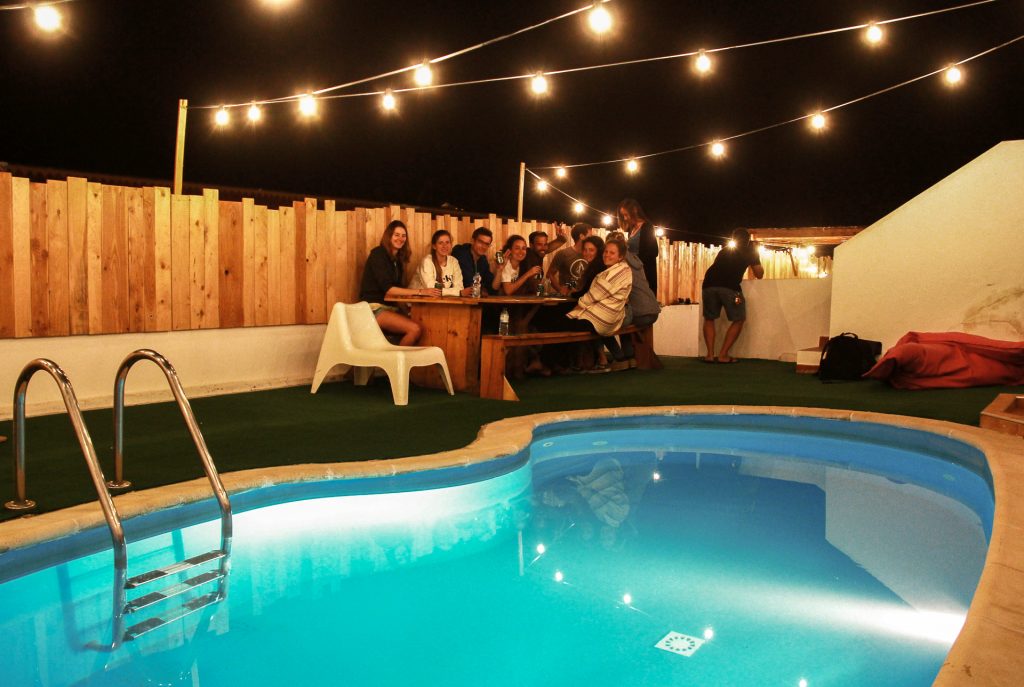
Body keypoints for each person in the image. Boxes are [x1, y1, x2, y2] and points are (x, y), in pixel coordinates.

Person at [358, 220, 440, 345]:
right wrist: (421, 292)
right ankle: (397, 363)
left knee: (423, 325)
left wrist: (408, 309)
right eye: (396, 235)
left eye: (403, 236)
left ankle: (396, 359)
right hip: (373, 309)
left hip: (390, 308)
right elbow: (389, 289)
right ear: (389, 236)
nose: (400, 239)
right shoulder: (378, 254)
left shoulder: (397, 261)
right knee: (415, 329)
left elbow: (397, 292)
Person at [701, 228, 765, 363]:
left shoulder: (725, 250)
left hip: (709, 285)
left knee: (709, 319)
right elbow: (759, 274)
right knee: (739, 318)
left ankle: (710, 355)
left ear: (733, 238)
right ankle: (723, 355)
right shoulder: (750, 250)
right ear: (748, 240)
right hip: (730, 288)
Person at [410, 229, 471, 296]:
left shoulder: (454, 261)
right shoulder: (427, 261)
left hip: (436, 301)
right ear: (434, 246)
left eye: (447, 242)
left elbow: (460, 287)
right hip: (415, 301)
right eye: (440, 243)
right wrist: (458, 293)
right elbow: (432, 289)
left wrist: (458, 292)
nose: (444, 246)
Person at [617, 198, 658, 293]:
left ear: (634, 210)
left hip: (643, 274)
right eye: (623, 215)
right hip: (632, 272)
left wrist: (635, 262)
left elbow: (654, 251)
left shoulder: (647, 227)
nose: (625, 218)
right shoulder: (631, 229)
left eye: (626, 214)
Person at [547, 222, 591, 295]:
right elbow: (549, 275)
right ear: (582, 236)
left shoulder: (591, 255)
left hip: (586, 298)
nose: (592, 239)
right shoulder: (563, 254)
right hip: (568, 299)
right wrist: (560, 289)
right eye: (590, 236)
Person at [452, 227, 496, 294]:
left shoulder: (483, 260)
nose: (483, 247)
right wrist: (482, 290)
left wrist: (499, 270)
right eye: (481, 242)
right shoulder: (461, 252)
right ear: (472, 241)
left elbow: (492, 289)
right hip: (456, 299)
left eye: (487, 244)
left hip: (473, 300)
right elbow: (468, 282)